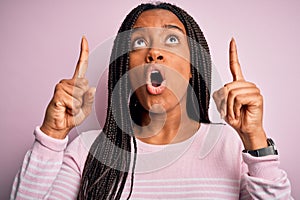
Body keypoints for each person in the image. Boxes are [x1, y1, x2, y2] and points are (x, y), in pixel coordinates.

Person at [10, 2, 293, 200]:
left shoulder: (231, 147)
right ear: (126, 69)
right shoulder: (87, 150)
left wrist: (255, 141)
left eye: (171, 39)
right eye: (139, 43)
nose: (154, 52)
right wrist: (52, 135)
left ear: (193, 67)